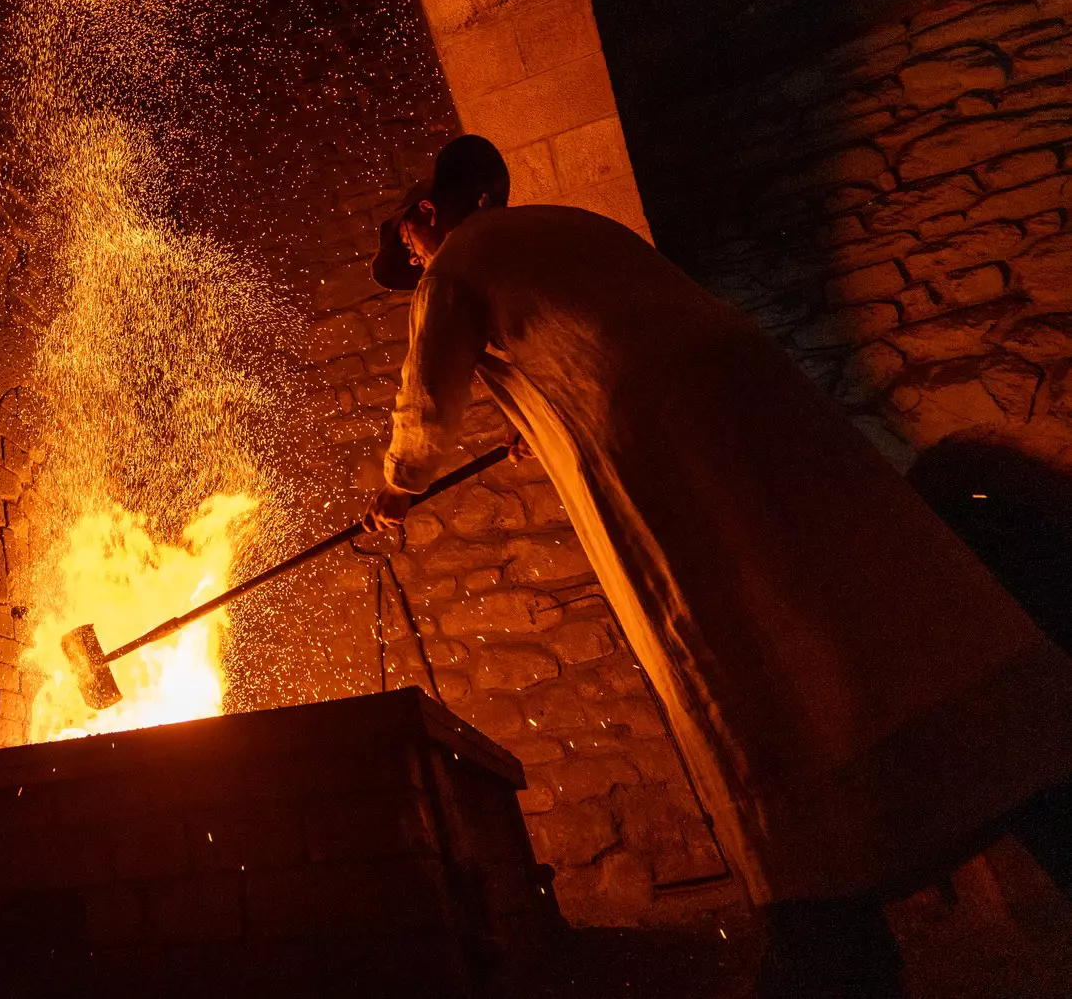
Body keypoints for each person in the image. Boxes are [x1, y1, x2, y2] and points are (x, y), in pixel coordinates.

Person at [364, 135, 1072, 997]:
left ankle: (824, 924)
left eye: (408, 241)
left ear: (429, 213)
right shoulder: (569, 227)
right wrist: (545, 413)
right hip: (751, 398)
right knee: (863, 597)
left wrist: (396, 493)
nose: (413, 256)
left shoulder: (458, 261)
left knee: (741, 650)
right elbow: (603, 338)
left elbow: (426, 404)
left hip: (670, 451)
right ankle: (1030, 775)